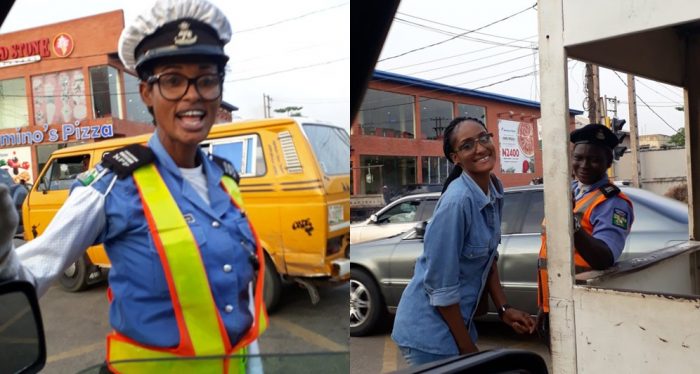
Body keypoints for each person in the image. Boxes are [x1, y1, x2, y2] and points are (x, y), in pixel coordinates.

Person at [0, 0, 267, 372]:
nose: (192, 95)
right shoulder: (112, 185)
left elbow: (240, 309)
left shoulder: (226, 181)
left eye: (206, 79)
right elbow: (30, 273)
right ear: (146, 94)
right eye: (173, 80)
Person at [392, 117, 535, 366]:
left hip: (458, 325)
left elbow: (488, 259)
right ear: (455, 158)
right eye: (468, 145)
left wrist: (504, 310)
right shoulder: (457, 203)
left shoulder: (494, 189)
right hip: (429, 334)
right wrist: (468, 349)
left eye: (483, 138)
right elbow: (440, 287)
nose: (480, 148)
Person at [536, 123, 635, 341]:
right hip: (555, 301)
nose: (584, 165)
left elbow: (604, 257)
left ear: (608, 163)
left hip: (584, 305)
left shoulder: (612, 203)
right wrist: (544, 308)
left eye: (595, 159)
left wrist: (570, 222)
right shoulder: (569, 190)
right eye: (578, 158)